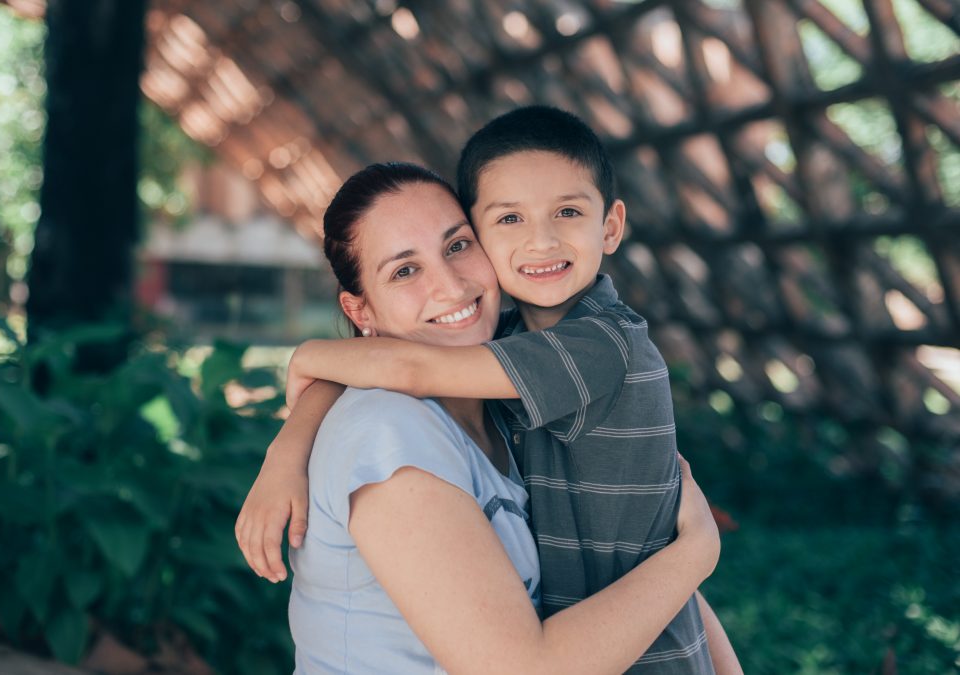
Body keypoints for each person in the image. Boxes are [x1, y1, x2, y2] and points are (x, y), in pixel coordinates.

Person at [240, 107, 742, 673]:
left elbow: (639, 542)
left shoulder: (537, 360)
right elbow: (396, 370)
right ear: (359, 312)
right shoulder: (391, 431)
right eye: (404, 271)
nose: (450, 285)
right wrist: (696, 552)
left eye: (457, 246)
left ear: (610, 225)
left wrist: (311, 366)